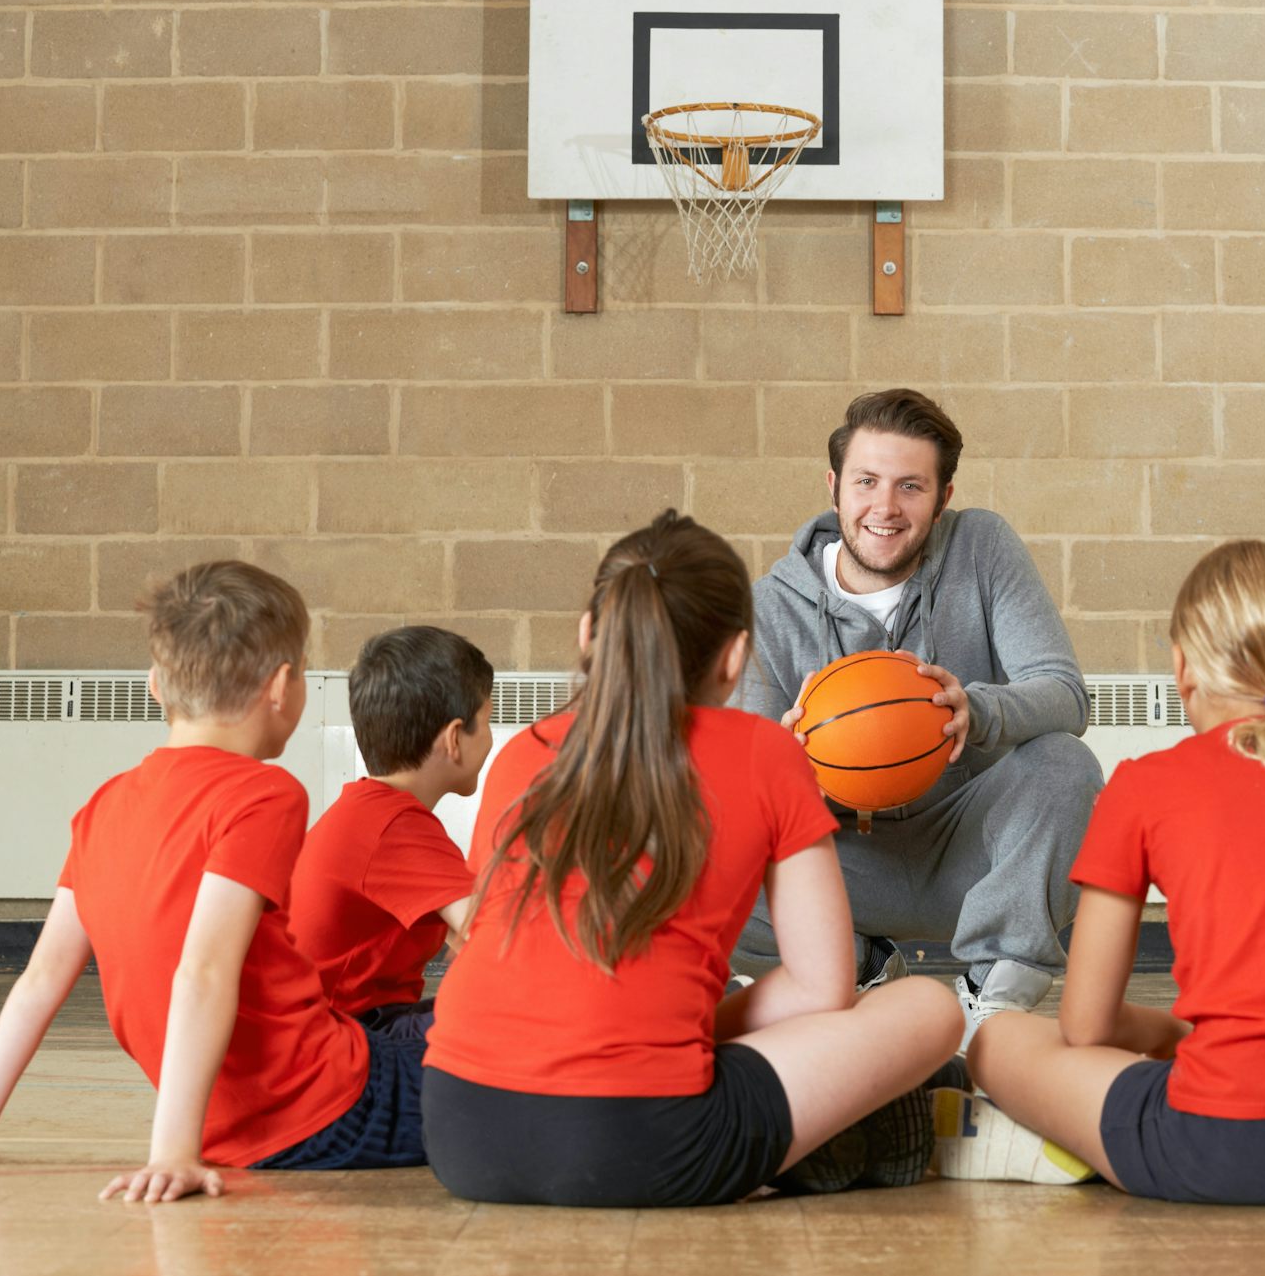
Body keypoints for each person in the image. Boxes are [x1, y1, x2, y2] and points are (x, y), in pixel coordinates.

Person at [422, 510, 964, 1208]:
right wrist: (687, 1028)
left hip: (462, 1133)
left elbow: (482, 940)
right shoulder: (767, 752)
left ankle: (811, 1134)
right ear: (736, 657)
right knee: (928, 1005)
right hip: (643, 1147)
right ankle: (822, 1132)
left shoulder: (521, 752)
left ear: (589, 633)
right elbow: (822, 989)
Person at [937, 540, 1265, 1204]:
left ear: (1182, 667)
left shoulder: (1145, 786)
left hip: (1229, 1146)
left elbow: (1086, 1027)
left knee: (1000, 1039)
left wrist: (1165, 1034)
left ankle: (1051, 1140)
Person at [0, 562, 426, 1204]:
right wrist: (172, 1152)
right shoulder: (264, 794)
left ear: (155, 685)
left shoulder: (104, 804)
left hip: (234, 1124)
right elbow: (201, 971)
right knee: (488, 1027)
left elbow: (38, 982)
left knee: (406, 1025)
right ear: (283, 686)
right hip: (330, 1111)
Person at [735, 388, 1103, 1043]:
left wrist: (976, 708)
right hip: (842, 868)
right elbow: (748, 796)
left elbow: (1064, 692)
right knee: (708, 838)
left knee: (1065, 765)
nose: (885, 506)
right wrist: (788, 767)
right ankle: (855, 967)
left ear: (943, 496)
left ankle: (995, 1001)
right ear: (834, 486)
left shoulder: (982, 546)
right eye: (867, 482)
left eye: (910, 486)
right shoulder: (771, 605)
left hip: (968, 852)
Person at [288, 626, 494, 1034]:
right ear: (454, 738)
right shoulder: (395, 826)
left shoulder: (370, 811)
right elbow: (495, 934)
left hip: (336, 1027)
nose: (488, 738)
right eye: (487, 722)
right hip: (340, 1041)